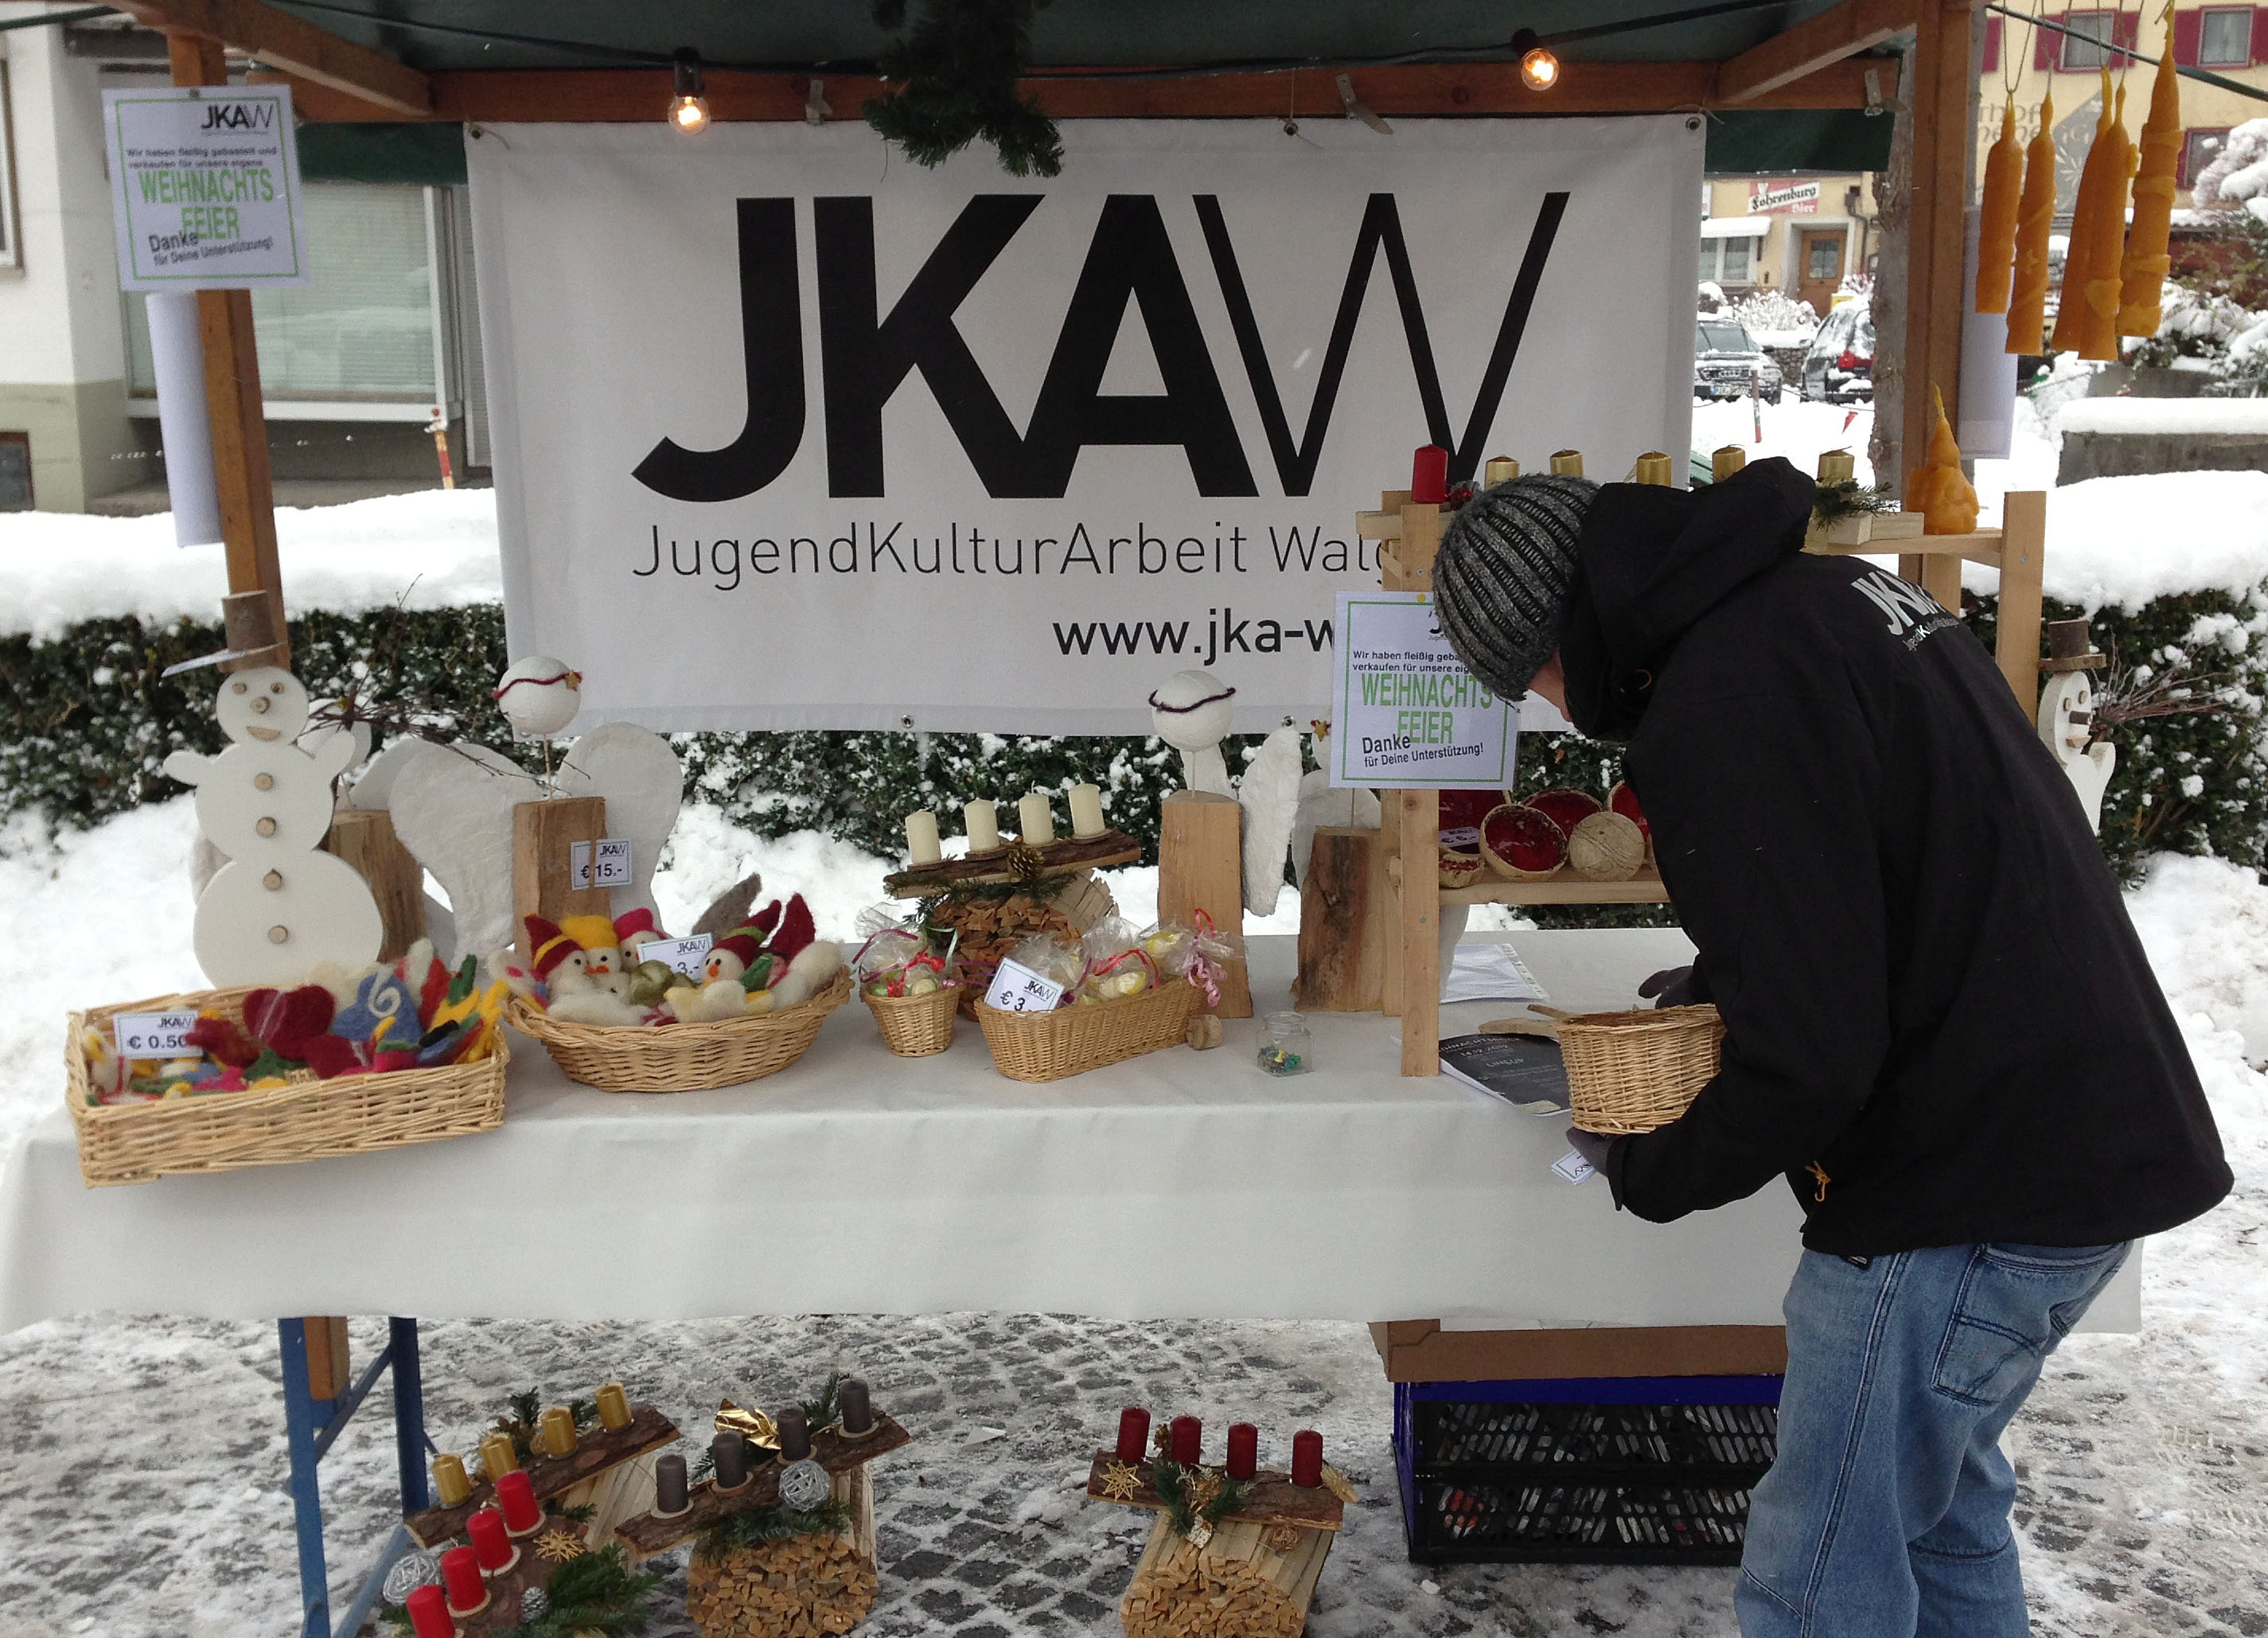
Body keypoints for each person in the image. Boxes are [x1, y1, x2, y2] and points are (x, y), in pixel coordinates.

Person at [1428, 459, 2230, 1638]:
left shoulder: (1721, 697)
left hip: (1961, 1189)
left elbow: (1812, 1058)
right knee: (1937, 1524)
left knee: (1817, 1579)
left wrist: (1652, 1165)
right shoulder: (1832, 597)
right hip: (2077, 1131)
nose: (1553, 705)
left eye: (1531, 678)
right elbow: (1896, 856)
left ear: (1560, 630)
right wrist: (1734, 970)